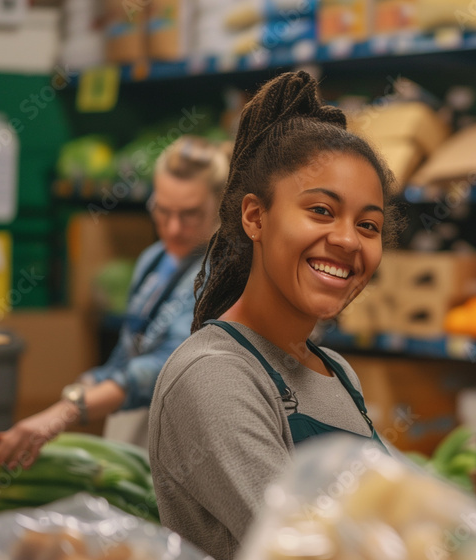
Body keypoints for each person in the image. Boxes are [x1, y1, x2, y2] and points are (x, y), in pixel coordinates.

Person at [149, 71, 402, 560]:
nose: (348, 240)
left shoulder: (338, 373)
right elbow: (309, 548)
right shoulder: (215, 375)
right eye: (322, 211)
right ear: (255, 217)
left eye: (368, 224)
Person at [0, 136, 228, 470]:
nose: (173, 228)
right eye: (163, 210)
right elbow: (128, 352)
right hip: (131, 435)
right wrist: (86, 386)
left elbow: (164, 365)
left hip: (184, 446)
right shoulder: (155, 259)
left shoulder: (221, 272)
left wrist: (67, 411)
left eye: (190, 215)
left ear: (219, 207)